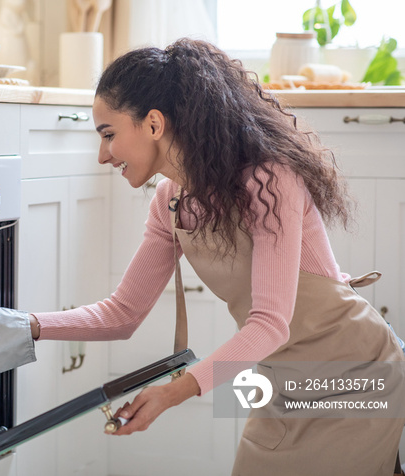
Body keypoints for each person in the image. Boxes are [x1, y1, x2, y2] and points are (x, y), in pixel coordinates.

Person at [25, 38, 405, 475]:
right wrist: (24, 327)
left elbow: (269, 324)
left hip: (355, 377)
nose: (102, 154)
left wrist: (173, 393)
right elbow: (123, 313)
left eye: (109, 135)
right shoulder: (169, 203)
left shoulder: (268, 181)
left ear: (153, 124)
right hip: (283, 381)